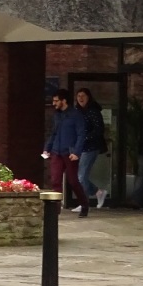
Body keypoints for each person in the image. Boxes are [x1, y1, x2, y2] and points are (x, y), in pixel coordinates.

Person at [42, 88, 88, 218]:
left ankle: (84, 204)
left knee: (73, 181)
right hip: (57, 151)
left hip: (70, 152)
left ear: (64, 101)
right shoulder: (57, 115)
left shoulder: (76, 115)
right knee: (55, 180)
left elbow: (81, 134)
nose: (54, 103)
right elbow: (54, 133)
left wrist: (77, 152)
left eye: (56, 101)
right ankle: (56, 209)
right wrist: (47, 148)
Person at [73, 87, 107, 212]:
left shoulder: (93, 111)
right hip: (78, 147)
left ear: (88, 97)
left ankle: (84, 203)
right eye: (78, 96)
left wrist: (84, 138)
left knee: (81, 176)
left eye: (83, 96)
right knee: (78, 176)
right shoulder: (76, 111)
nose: (81, 98)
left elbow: (98, 130)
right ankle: (98, 192)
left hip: (90, 147)